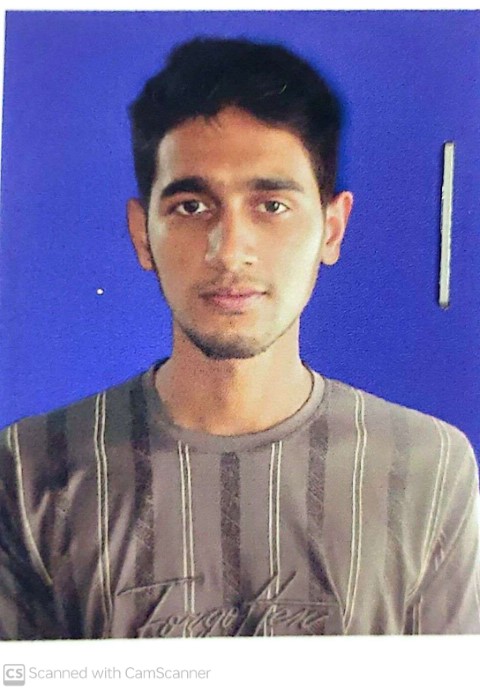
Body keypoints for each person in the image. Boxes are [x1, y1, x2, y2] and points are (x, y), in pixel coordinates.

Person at [0, 36, 479, 640]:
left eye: (271, 205)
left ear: (332, 229)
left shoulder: (429, 468)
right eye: (191, 206)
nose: (229, 251)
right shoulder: (29, 470)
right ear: (142, 234)